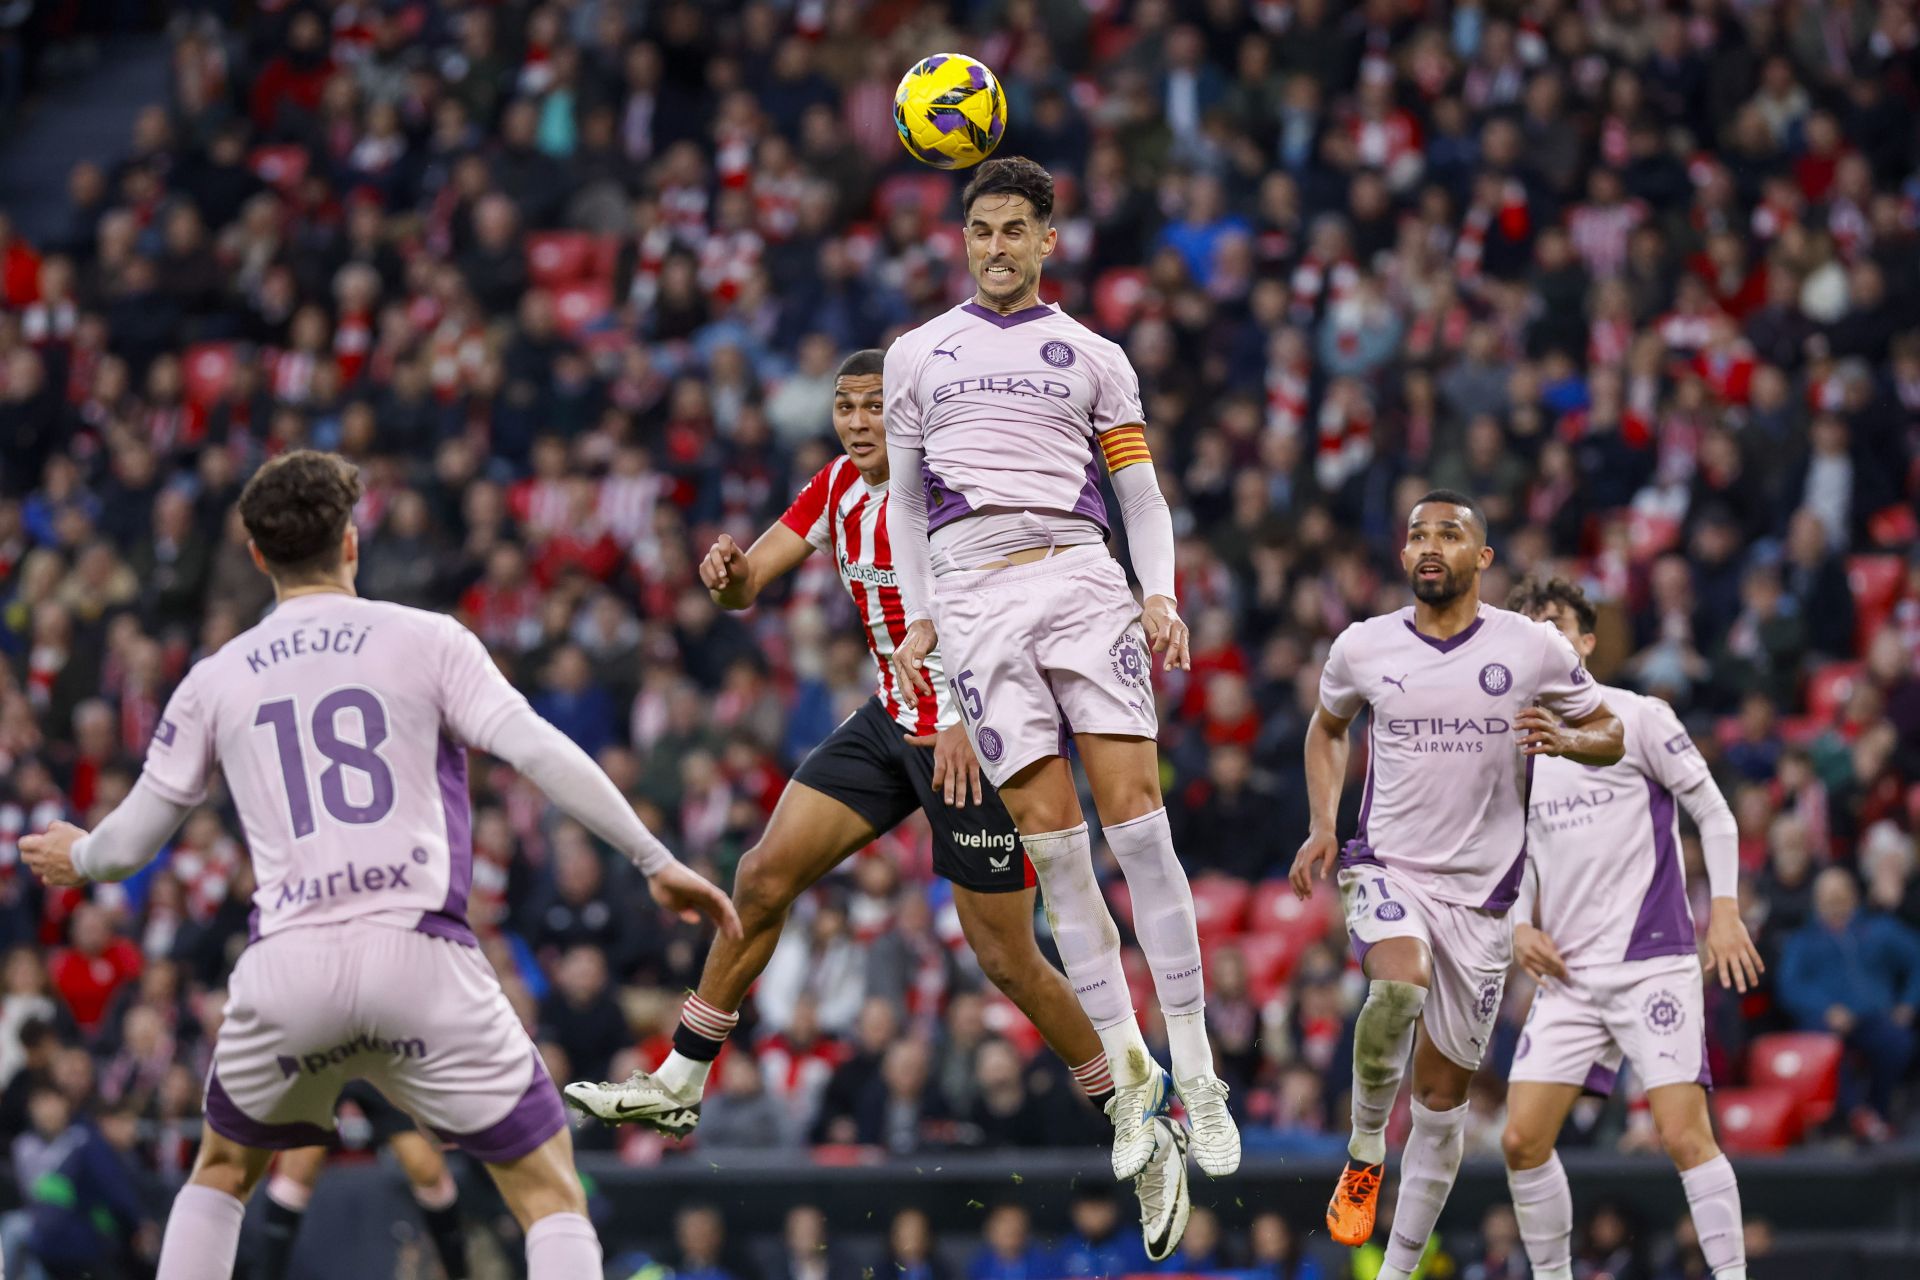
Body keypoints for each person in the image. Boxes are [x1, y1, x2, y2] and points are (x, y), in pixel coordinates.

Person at [19, 450, 740, 1280]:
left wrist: (76, 854)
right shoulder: (427, 639)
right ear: (352, 542)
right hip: (419, 954)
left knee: (219, 1177)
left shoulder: (214, 678)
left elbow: (126, 846)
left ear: (257, 555)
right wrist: (654, 858)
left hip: (287, 968)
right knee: (548, 1195)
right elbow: (538, 748)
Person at [564, 349, 1189, 1255]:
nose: (858, 423)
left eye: (872, 407)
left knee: (1007, 960)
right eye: (844, 408)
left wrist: (977, 717)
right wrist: (728, 575)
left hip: (980, 733)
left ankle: (1142, 1106)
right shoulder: (831, 489)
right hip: (896, 724)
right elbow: (750, 589)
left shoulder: (954, 487)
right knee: (762, 874)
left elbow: (1017, 610)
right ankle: (682, 1078)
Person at [882, 155, 1241, 1181]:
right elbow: (906, 505)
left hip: (1080, 576)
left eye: (1014, 230)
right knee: (1061, 854)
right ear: (965, 237)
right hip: (975, 594)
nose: (996, 246)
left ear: (1049, 239)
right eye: (981, 229)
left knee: (1139, 823)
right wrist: (922, 618)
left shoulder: (1092, 353)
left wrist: (1158, 590)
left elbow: (1141, 491)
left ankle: (1201, 1071)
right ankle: (1136, 1085)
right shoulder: (919, 354)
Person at [1288, 491, 1626, 1279]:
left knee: (1442, 1108)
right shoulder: (1364, 647)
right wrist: (1323, 823)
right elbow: (1327, 727)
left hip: (1483, 901)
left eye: (1451, 534)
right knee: (1396, 988)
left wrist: (1571, 737)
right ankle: (1365, 1151)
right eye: (1417, 535)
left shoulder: (1534, 647)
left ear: (1484, 559)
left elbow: (1609, 732)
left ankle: (1399, 1271)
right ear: (1403, 557)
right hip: (1389, 867)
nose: (1430, 546)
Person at [1500, 575, 1762, 1280]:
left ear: (1585, 642)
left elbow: (1715, 813)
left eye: (1554, 622)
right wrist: (1521, 926)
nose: (1541, 636)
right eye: (1528, 626)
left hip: (1651, 960)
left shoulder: (1640, 716)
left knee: (1683, 1136)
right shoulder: (1524, 748)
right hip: (1570, 976)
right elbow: (1524, 854)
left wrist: (1726, 910)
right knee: (1521, 1139)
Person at [253, 1083, 469, 1280]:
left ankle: (458, 1273)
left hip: (380, 1058)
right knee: (300, 1166)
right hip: (324, 1061)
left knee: (425, 1168)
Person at [1777, 866, 1920, 1137]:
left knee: (1898, 1042)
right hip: (1824, 1021)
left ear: (1854, 896)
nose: (1834, 903)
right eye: (1828, 898)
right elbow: (1790, 985)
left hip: (1873, 1016)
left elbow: (1917, 958)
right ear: (1817, 901)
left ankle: (1879, 1107)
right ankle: (1857, 1114)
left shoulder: (1879, 930)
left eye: (1840, 896)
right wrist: (1825, 1008)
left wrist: (1908, 1004)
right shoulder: (1803, 941)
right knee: (1827, 1049)